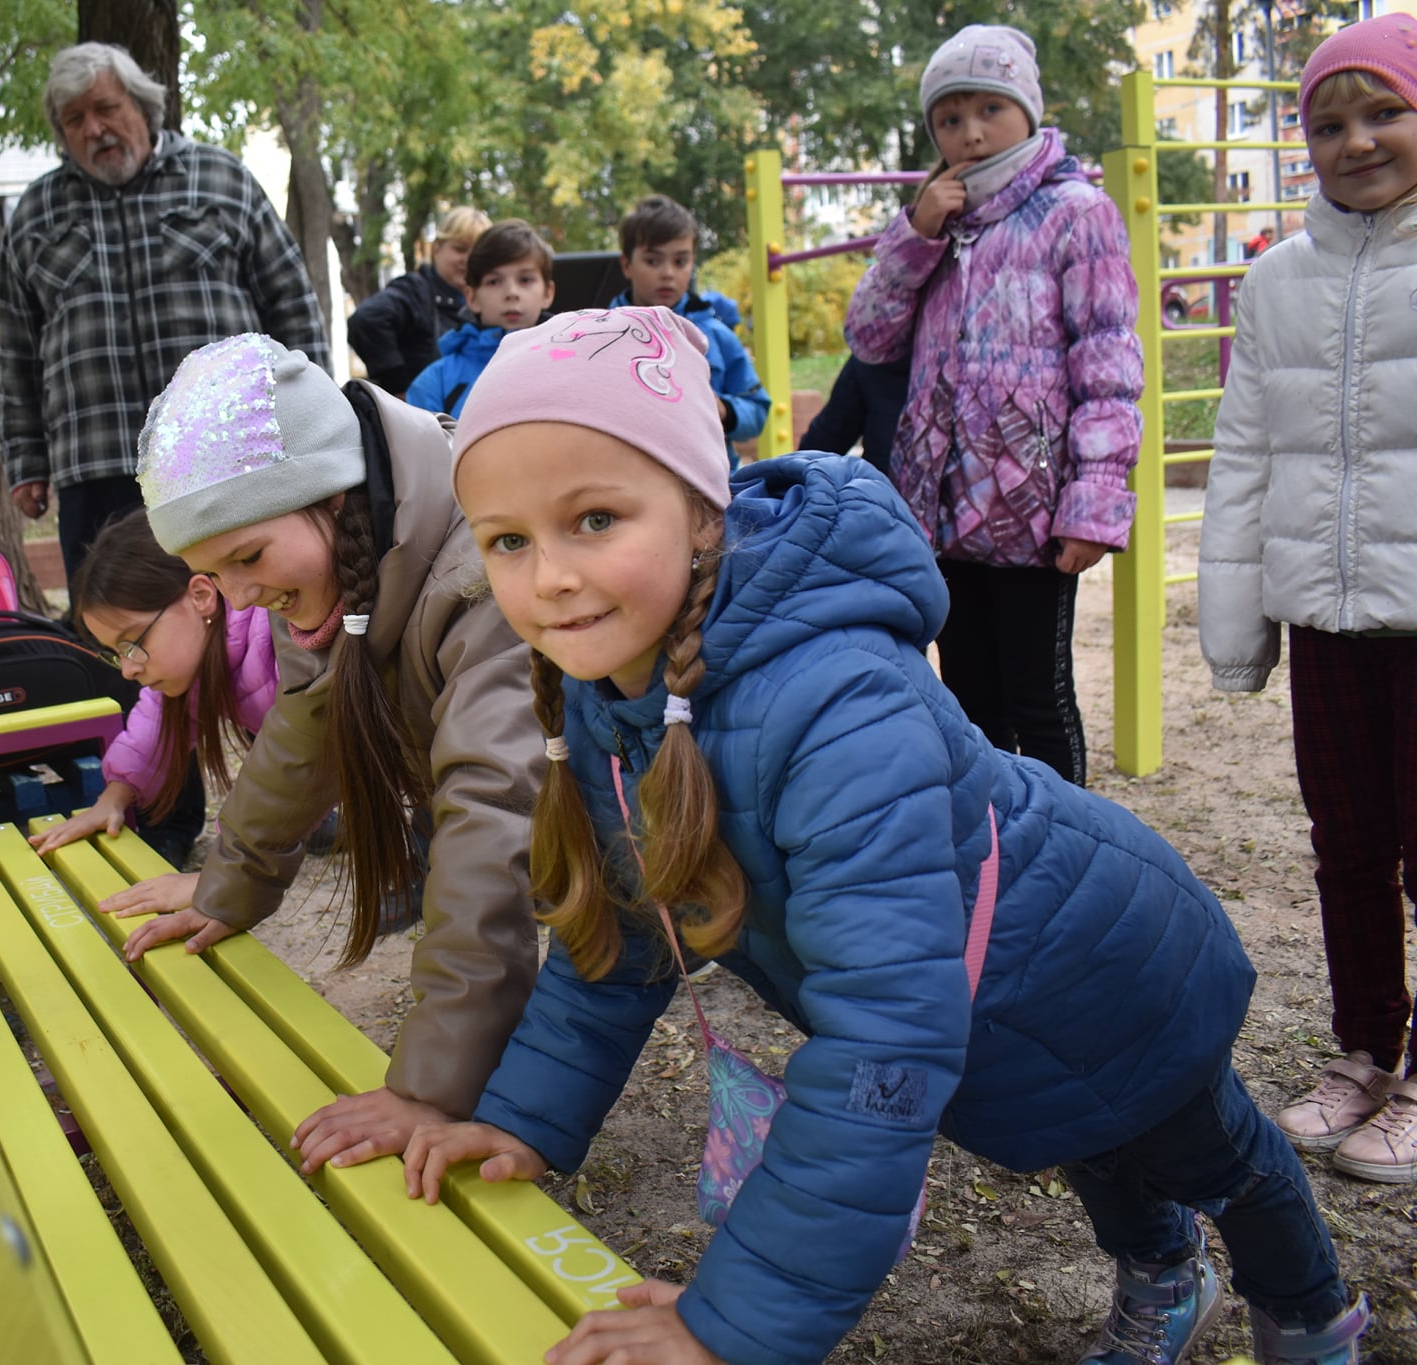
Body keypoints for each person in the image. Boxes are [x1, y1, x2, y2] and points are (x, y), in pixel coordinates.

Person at [406, 305, 1371, 1365]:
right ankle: (1159, 1272)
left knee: (1207, 1155)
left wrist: (730, 1325)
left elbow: (884, 1037)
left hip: (1103, 975)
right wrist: (522, 1122)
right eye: (507, 540)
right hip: (992, 1017)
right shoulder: (612, 701)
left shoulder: (838, 710)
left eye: (593, 519)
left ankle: (1310, 1315)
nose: (548, 577)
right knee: (1087, 1147)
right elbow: (626, 943)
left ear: (700, 511)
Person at [113, 333, 543, 1176]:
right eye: (211, 570)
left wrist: (427, 1086)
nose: (239, 595)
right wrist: (228, 884)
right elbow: (304, 732)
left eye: (247, 557)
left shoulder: (478, 574)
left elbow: (493, 814)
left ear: (337, 496)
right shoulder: (337, 569)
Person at [1199, 13, 1417, 1187]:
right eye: (1329, 124)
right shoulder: (1274, 282)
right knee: (1345, 847)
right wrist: (1237, 626)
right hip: (1329, 618)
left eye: (1383, 112)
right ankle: (1361, 1049)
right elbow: (1243, 454)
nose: (1356, 141)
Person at [844, 23, 1142, 788]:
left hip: (1032, 511)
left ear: (1027, 111)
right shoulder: (935, 222)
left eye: (990, 109)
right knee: (969, 701)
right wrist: (914, 235)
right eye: (950, 117)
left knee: (1037, 701)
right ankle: (993, 859)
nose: (970, 133)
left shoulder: (1076, 212)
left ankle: (1073, 854)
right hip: (939, 508)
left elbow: (1108, 362)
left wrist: (1094, 503)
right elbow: (870, 339)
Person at [0, 41, 328, 585]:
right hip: (95, 461)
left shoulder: (221, 179)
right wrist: (25, 461)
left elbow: (291, 304)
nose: (94, 129)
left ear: (143, 106)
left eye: (106, 108)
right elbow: (14, 351)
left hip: (229, 452)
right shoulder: (35, 213)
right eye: (74, 119)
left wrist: (312, 422)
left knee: (243, 618)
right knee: (120, 635)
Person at [28, 506, 278, 909]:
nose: (127, 669)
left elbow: (289, 773)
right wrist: (112, 799)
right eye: (116, 653)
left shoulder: (275, 640)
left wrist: (220, 878)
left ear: (200, 596)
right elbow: (153, 726)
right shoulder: (203, 660)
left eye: (133, 642)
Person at [607, 194, 770, 454]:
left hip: (708, 483)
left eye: (680, 261)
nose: (668, 273)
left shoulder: (718, 335)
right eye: (653, 261)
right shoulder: (601, 333)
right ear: (627, 265)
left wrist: (725, 411)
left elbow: (758, 410)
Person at [405, 219, 554, 419]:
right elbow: (421, 448)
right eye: (494, 281)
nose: (511, 293)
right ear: (472, 297)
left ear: (548, 293)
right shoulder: (434, 382)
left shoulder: (572, 368)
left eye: (525, 280)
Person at [346, 205, 489, 397]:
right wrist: (401, 390)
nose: (468, 259)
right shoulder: (416, 291)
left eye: (477, 252)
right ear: (437, 248)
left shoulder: (491, 303)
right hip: (424, 421)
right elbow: (366, 320)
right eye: (460, 249)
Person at [797, 354, 911, 481]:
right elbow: (826, 440)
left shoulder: (877, 350)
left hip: (883, 489)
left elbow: (823, 443)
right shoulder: (873, 356)